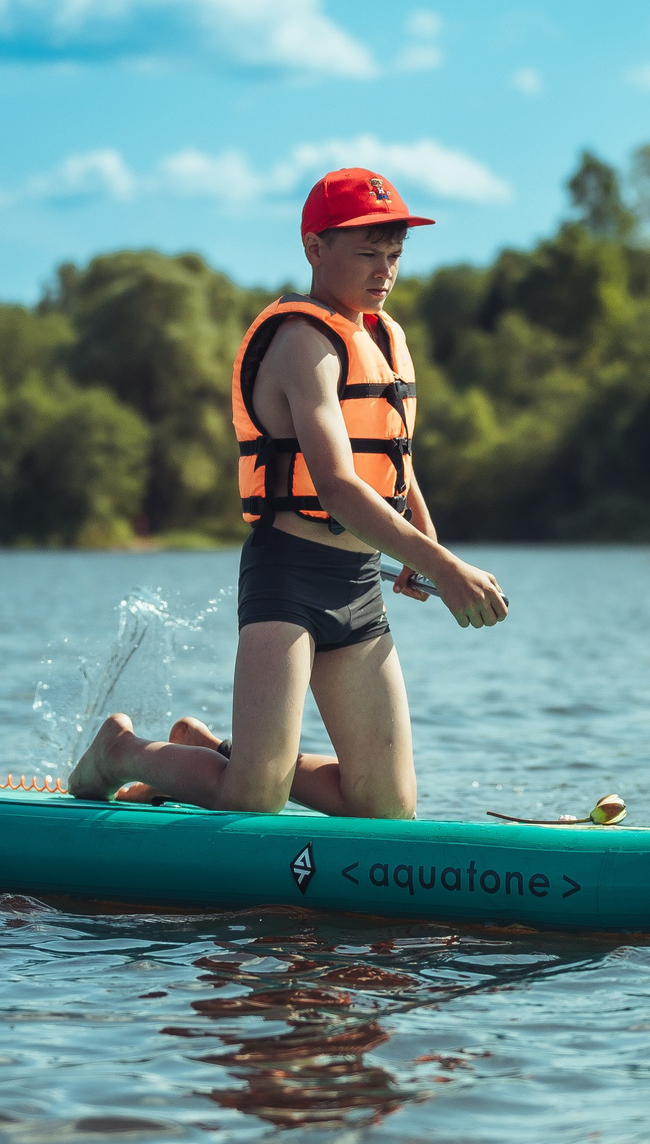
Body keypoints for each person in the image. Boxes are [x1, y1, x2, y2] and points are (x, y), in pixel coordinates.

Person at [68, 168, 508, 816]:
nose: (384, 270)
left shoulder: (386, 338)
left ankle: (214, 747)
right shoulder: (303, 344)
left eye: (394, 254)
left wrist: (423, 545)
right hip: (289, 578)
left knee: (385, 807)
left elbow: (391, 459)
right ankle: (123, 750)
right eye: (367, 252)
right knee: (254, 797)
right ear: (314, 248)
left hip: (358, 583)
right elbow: (334, 483)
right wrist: (445, 565)